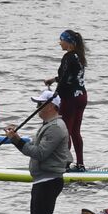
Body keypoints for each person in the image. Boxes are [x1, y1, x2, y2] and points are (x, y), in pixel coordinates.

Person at [4, 90, 106, 214]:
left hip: (50, 180)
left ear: (51, 106)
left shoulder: (56, 127)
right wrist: (16, 138)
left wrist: (17, 141)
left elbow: (40, 153)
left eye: (40, 104)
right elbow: (33, 148)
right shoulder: (47, 125)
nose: (37, 107)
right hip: (42, 179)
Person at [44, 30, 88, 171]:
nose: (59, 43)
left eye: (61, 40)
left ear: (68, 42)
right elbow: (70, 75)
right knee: (75, 131)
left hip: (70, 98)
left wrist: (55, 95)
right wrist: (53, 79)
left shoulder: (68, 57)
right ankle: (80, 164)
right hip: (81, 96)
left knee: (65, 131)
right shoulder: (79, 56)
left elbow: (64, 79)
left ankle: (65, 164)